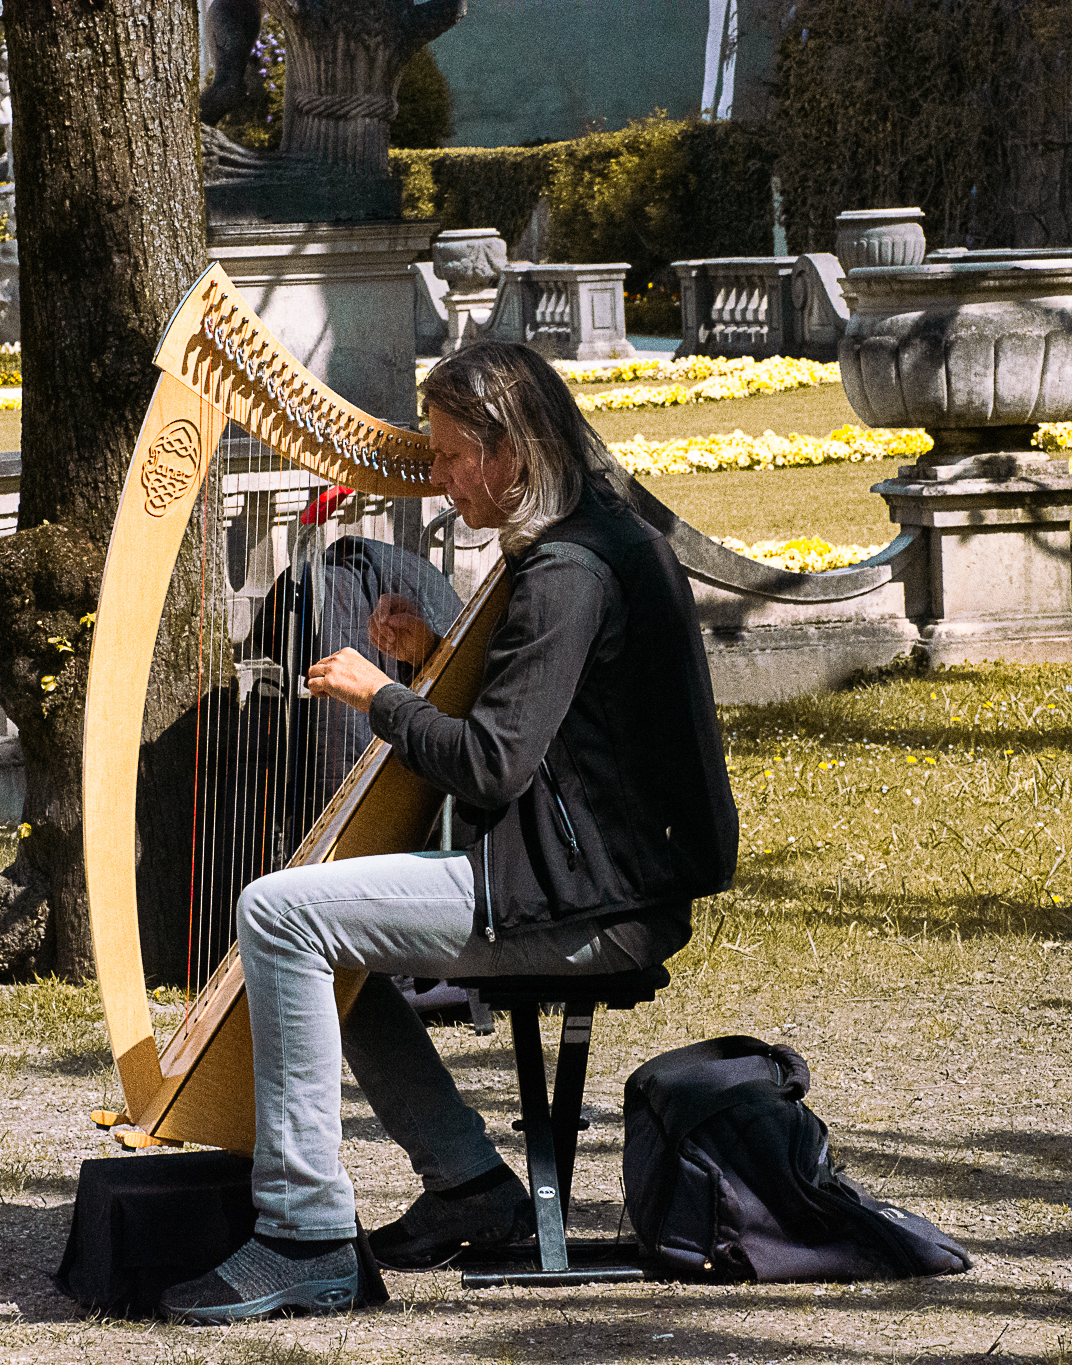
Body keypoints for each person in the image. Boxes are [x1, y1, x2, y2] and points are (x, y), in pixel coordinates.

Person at [159, 341, 740, 1324]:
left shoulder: (567, 572)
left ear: (509, 453)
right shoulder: (596, 541)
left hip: (589, 902)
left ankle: (304, 1237)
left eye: (448, 455)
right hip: (590, 876)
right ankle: (467, 1182)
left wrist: (378, 695)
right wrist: (431, 654)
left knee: (279, 915)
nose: (435, 478)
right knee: (311, 932)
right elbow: (552, 728)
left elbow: (492, 765)